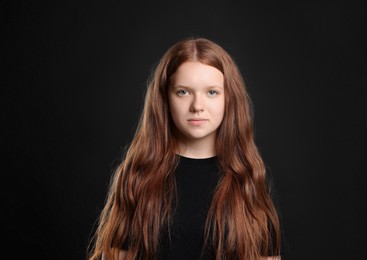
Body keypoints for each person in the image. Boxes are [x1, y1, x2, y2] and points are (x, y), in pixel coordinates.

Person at [88, 37, 286, 260]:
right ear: (165, 98)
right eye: (183, 92)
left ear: (229, 99)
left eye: (212, 92)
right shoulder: (138, 176)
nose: (197, 106)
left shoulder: (248, 179)